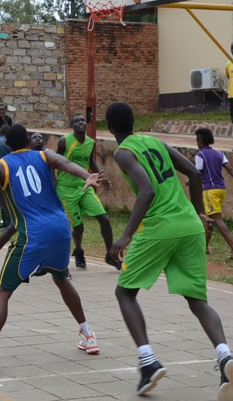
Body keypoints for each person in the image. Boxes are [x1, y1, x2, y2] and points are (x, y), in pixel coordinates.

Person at [105, 102, 232, 396]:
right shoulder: (155, 141)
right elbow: (193, 173)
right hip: (188, 224)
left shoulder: (124, 152)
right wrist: (201, 214)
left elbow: (147, 190)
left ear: (111, 129)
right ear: (134, 120)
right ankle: (225, 355)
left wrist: (125, 235)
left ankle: (148, 363)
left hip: (160, 226)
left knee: (124, 292)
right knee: (197, 299)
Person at [0, 124, 102, 373]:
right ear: (27, 140)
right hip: (61, 229)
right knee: (62, 278)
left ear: (6, 143)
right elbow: (65, 163)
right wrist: (86, 175)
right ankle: (89, 335)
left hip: (33, 233)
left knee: (2, 290)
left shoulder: (0, 166)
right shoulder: (44, 155)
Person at [56, 114, 120, 270]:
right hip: (66, 189)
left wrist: (100, 177)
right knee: (78, 227)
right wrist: (52, 183)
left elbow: (90, 161)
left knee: (104, 219)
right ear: (72, 124)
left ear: (86, 124)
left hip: (84, 186)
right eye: (76, 120)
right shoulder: (64, 141)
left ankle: (110, 255)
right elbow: (54, 161)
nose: (80, 123)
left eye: (82, 120)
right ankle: (78, 250)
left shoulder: (91, 143)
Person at [195, 127, 233, 257]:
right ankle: (204, 248)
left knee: (216, 219)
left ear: (200, 140)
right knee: (208, 219)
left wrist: (190, 183)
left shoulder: (200, 155)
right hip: (221, 189)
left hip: (209, 190)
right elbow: (229, 169)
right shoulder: (219, 153)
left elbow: (197, 173)